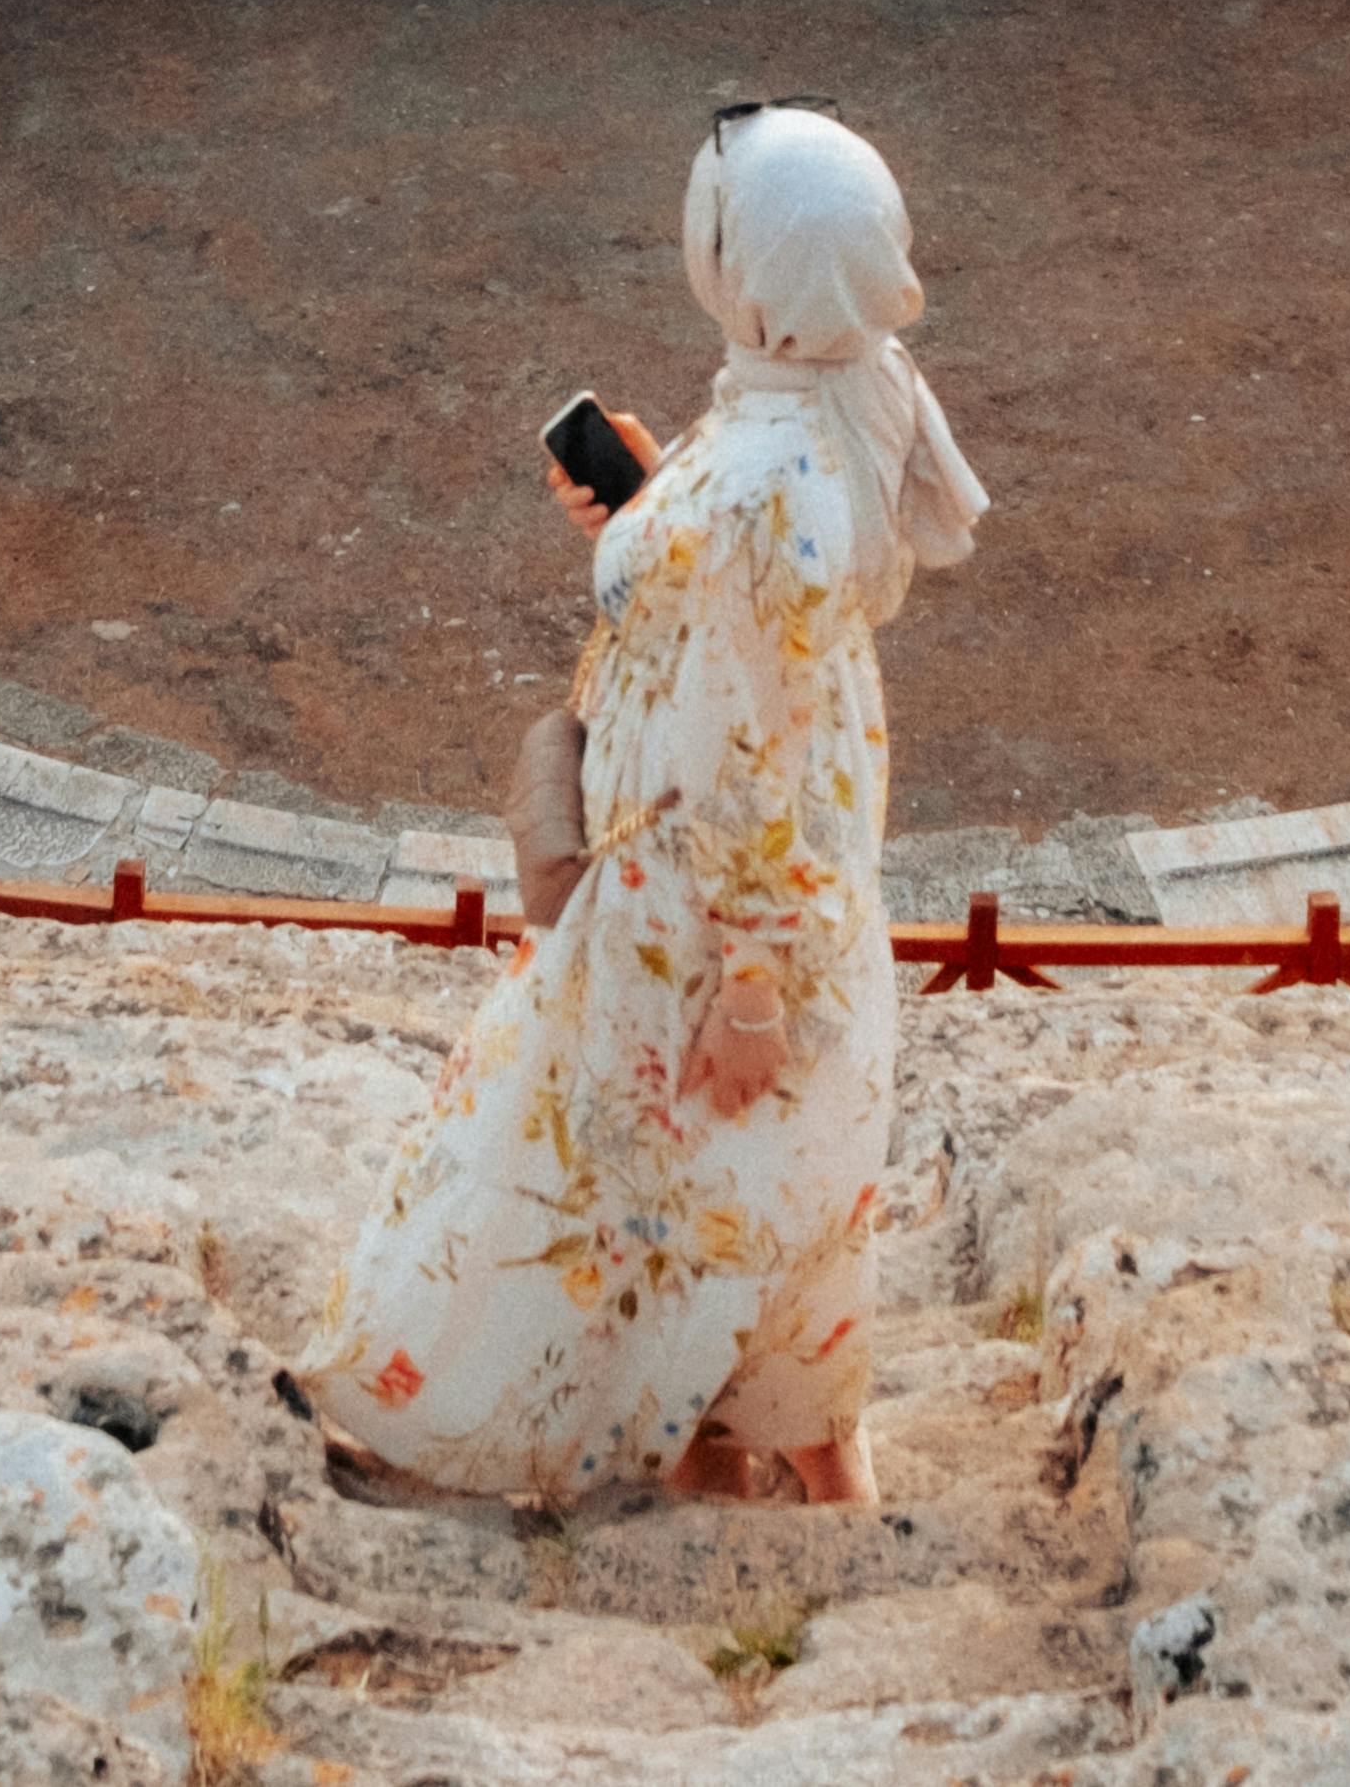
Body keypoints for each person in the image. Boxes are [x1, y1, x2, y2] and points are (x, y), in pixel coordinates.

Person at [292, 104, 991, 1514]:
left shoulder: (759, 486)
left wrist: (745, 983)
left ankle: (653, 1439)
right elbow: (775, 632)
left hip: (706, 911)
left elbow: (749, 750)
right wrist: (656, 499)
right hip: (806, 869)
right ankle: (776, 1437)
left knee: (655, 1171)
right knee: (784, 1162)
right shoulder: (852, 385)